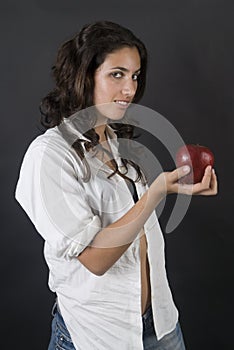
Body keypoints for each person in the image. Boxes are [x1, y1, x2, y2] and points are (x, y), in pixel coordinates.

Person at [15, 20, 217, 350]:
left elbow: (132, 223)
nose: (130, 89)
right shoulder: (49, 155)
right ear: (84, 75)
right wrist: (156, 192)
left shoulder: (115, 144)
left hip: (161, 328)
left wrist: (175, 187)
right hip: (97, 336)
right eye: (117, 74)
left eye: (135, 76)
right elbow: (95, 259)